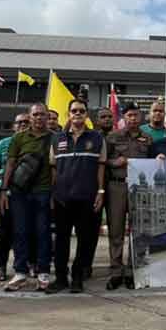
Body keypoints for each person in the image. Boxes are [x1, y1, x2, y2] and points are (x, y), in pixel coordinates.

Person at [46, 99, 106, 294]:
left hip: (87, 197)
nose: (77, 113)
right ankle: (61, 278)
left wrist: (100, 191)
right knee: (61, 239)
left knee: (85, 239)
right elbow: (53, 170)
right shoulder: (57, 139)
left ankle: (77, 277)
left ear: (86, 114)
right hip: (62, 198)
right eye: (74, 111)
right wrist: (52, 194)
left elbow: (101, 167)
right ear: (68, 114)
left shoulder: (97, 138)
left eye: (81, 111)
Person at [0, 103, 55, 292]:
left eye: (43, 115)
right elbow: (10, 163)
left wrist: (55, 192)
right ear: (30, 117)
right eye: (36, 115)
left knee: (43, 233)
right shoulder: (19, 138)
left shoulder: (55, 138)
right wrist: (4, 190)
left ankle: (43, 272)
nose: (39, 118)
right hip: (19, 192)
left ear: (48, 117)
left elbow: (57, 168)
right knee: (20, 232)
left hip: (44, 191)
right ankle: (20, 272)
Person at [104, 102, 152, 289]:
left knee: (137, 231)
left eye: (136, 115)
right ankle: (116, 271)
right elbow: (102, 161)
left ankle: (133, 271)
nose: (133, 118)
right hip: (117, 187)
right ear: (123, 117)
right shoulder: (112, 137)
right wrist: (114, 162)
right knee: (116, 231)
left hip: (139, 188)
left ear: (141, 117)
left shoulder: (147, 139)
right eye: (129, 115)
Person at [0, 113, 30, 281]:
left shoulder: (37, 143)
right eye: (19, 122)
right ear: (14, 126)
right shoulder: (2, 145)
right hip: (6, 192)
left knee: (28, 231)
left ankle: (27, 265)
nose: (23, 125)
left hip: (30, 191)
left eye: (26, 122)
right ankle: (0, 267)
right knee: (5, 230)